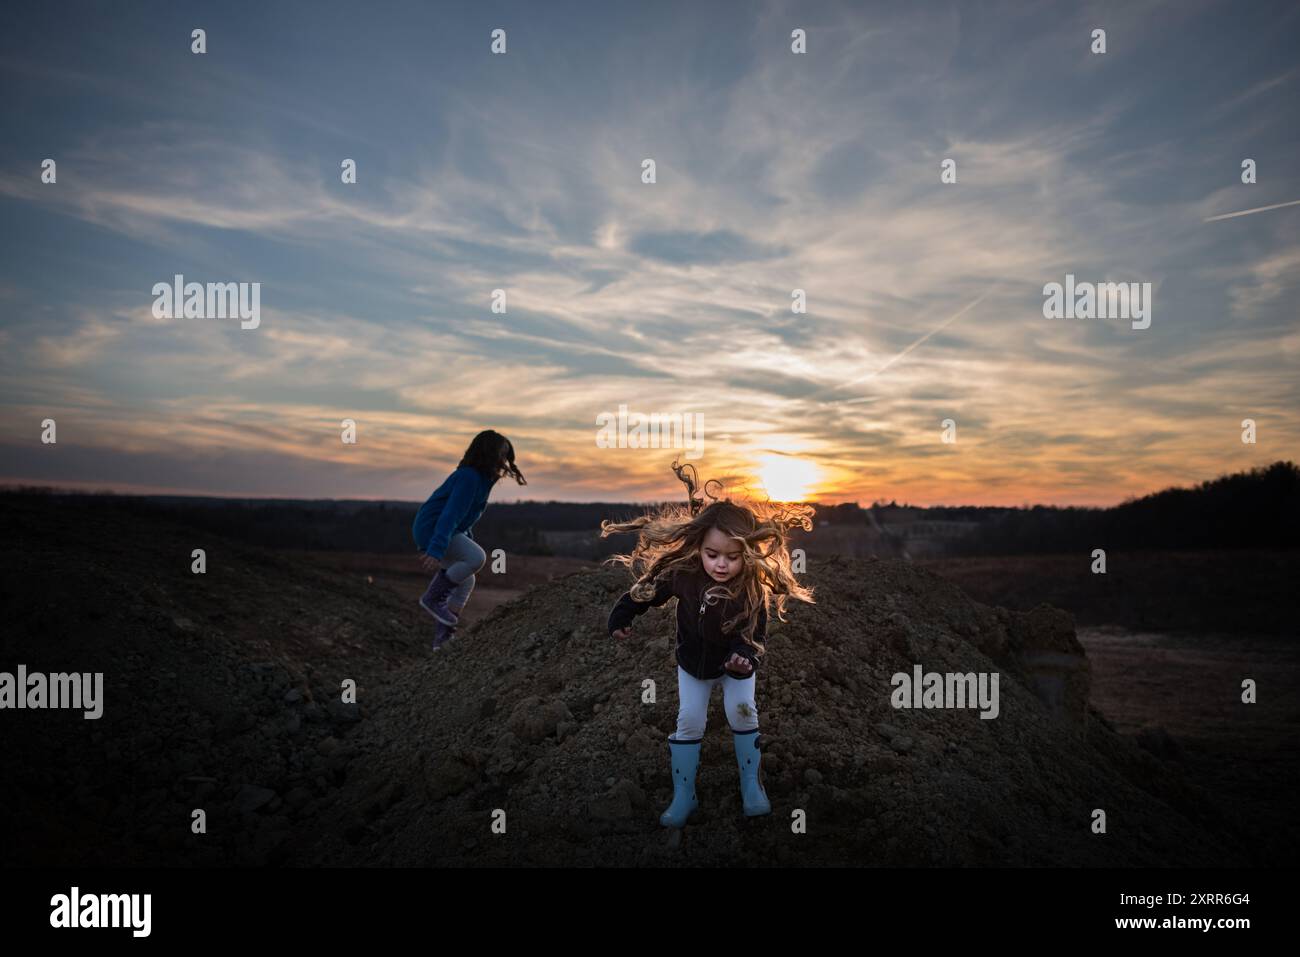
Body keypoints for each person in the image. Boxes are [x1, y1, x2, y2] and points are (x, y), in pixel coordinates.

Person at [601, 460, 814, 827]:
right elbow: (646, 592)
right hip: (693, 664)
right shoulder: (682, 573)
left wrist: (745, 657)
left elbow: (755, 635)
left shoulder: (749, 588)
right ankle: (685, 795)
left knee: (742, 711)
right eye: (712, 555)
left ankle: (752, 784)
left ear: (745, 555)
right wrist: (622, 616)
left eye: (732, 557)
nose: (721, 564)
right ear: (699, 547)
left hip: (735, 668)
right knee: (689, 721)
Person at [412, 430, 526, 650]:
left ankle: (442, 640)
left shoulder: (483, 479)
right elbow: (450, 514)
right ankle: (432, 598)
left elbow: (466, 516)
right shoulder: (469, 477)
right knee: (477, 558)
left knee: (467, 580)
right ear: (486, 453)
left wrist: (465, 537)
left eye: (505, 456)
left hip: (444, 529)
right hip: (433, 528)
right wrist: (436, 550)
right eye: (499, 455)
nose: (502, 461)